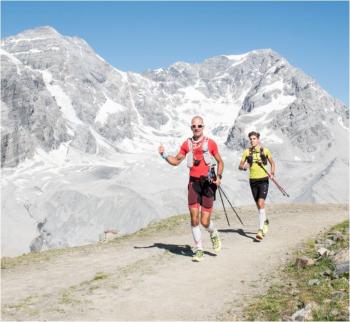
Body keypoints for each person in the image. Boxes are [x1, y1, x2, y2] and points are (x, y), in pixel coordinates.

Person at [158, 116, 224, 262]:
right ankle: (199, 249)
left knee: (204, 221)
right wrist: (163, 155)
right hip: (193, 184)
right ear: (191, 128)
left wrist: (218, 176)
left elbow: (220, 162)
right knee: (194, 219)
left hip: (208, 185)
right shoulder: (187, 144)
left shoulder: (210, 143)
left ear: (203, 127)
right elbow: (175, 161)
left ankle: (213, 233)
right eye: (194, 126)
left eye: (199, 126)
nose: (197, 128)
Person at [238, 131, 275, 241]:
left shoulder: (265, 150)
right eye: (250, 139)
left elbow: (273, 163)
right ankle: (265, 222)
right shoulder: (247, 152)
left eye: (254, 138)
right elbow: (240, 166)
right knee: (259, 206)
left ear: (258, 139)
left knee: (260, 202)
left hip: (263, 180)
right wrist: (245, 166)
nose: (252, 140)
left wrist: (272, 174)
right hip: (252, 181)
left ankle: (260, 231)